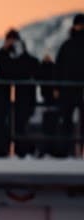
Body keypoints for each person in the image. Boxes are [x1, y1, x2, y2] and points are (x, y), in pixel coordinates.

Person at [0, 28, 40, 151]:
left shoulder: (26, 57)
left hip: (23, 96)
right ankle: (10, 149)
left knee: (20, 125)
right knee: (7, 125)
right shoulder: (3, 55)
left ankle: (21, 150)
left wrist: (21, 53)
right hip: (6, 96)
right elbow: (0, 66)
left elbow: (31, 67)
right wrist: (4, 50)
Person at [57, 14, 84, 155]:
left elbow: (59, 66)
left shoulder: (67, 45)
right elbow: (59, 67)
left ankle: (70, 151)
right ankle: (67, 151)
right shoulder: (67, 46)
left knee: (68, 121)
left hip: (71, 88)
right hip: (68, 88)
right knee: (66, 121)